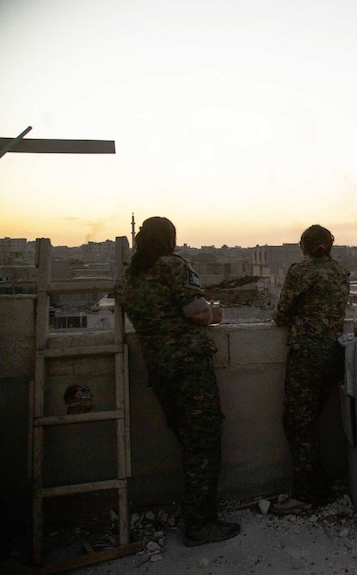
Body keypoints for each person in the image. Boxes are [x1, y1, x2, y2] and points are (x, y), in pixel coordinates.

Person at [114, 216, 240, 547]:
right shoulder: (172, 267)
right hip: (188, 367)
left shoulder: (129, 276)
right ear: (170, 239)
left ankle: (196, 515)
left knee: (187, 440)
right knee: (203, 441)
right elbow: (196, 312)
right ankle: (200, 524)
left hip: (159, 368)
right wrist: (215, 313)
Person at [271, 224, 350, 515]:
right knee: (315, 421)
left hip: (307, 355)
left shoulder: (300, 272)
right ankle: (321, 489)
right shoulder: (341, 272)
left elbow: (282, 314)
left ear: (304, 246)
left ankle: (306, 495)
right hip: (334, 353)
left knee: (298, 422)